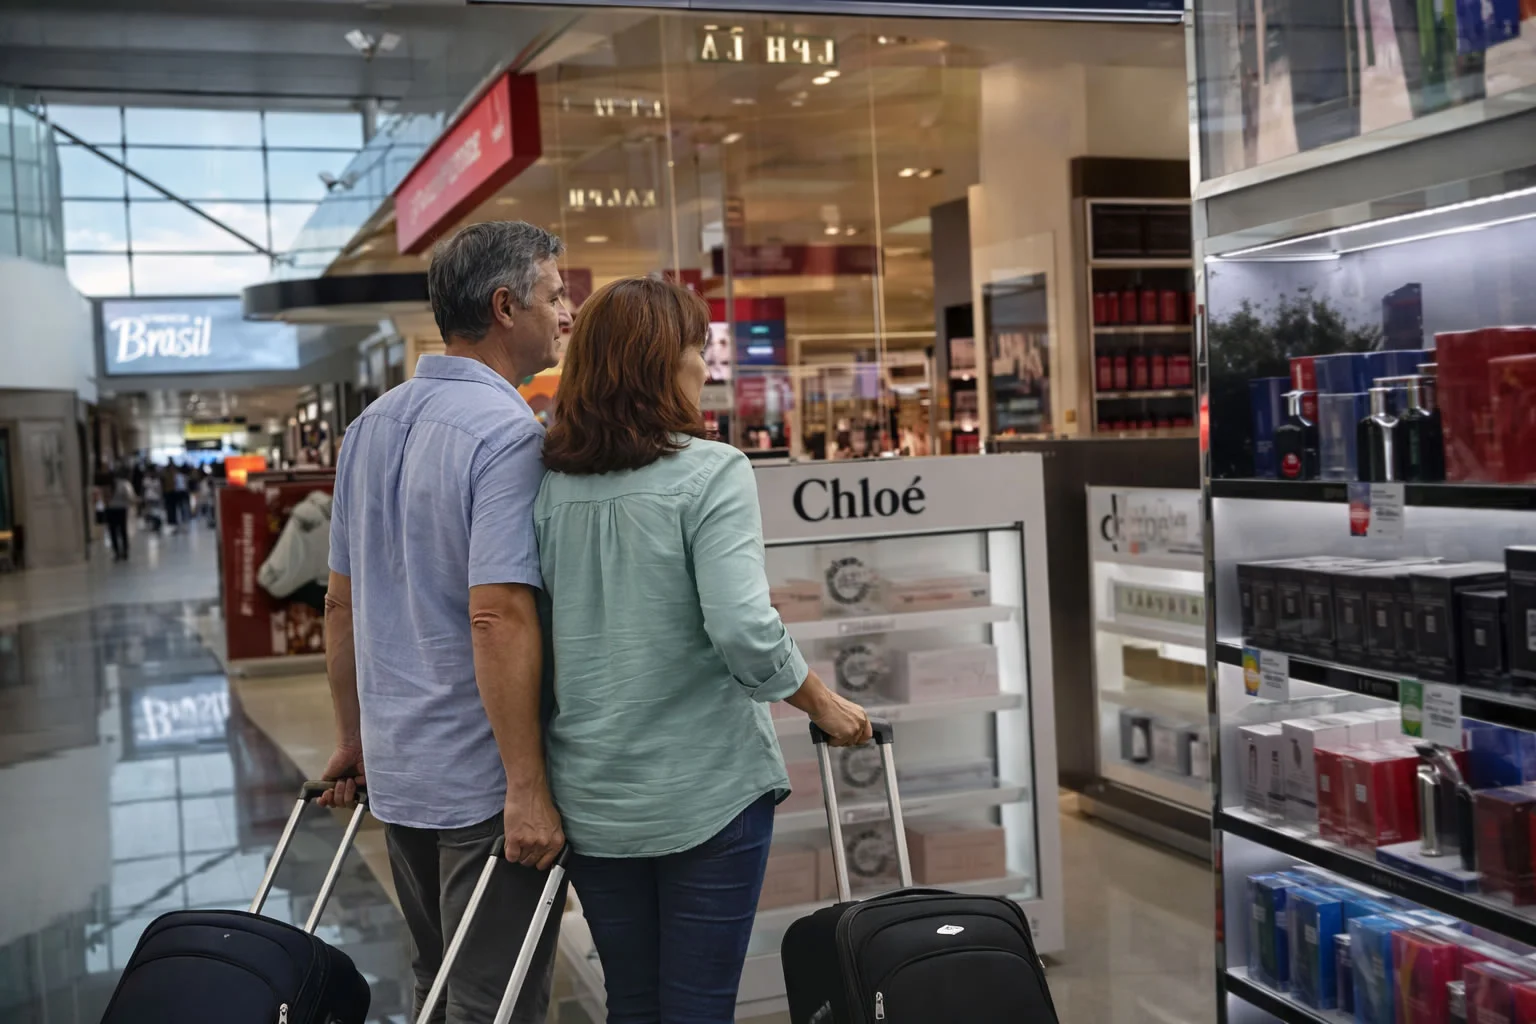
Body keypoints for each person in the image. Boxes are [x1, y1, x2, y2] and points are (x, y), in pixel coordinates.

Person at [535, 277, 872, 1023]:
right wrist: (823, 702)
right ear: (659, 363)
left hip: (593, 793)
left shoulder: (546, 486)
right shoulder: (711, 472)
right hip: (706, 790)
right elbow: (744, 628)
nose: (705, 367)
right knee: (698, 1006)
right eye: (697, 348)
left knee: (634, 1001)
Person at [318, 220, 572, 1024]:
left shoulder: (369, 429)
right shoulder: (505, 437)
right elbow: (497, 615)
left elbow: (340, 602)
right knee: (495, 1001)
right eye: (555, 294)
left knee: (438, 982)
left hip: (399, 769)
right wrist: (528, 788)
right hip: (480, 780)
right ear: (505, 307)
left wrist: (353, 741)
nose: (567, 312)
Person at [104, 470, 134, 561]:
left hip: (112, 509)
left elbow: (105, 498)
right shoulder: (123, 484)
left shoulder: (108, 486)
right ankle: (124, 551)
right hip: (121, 509)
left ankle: (117, 552)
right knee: (122, 530)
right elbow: (128, 496)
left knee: (114, 531)